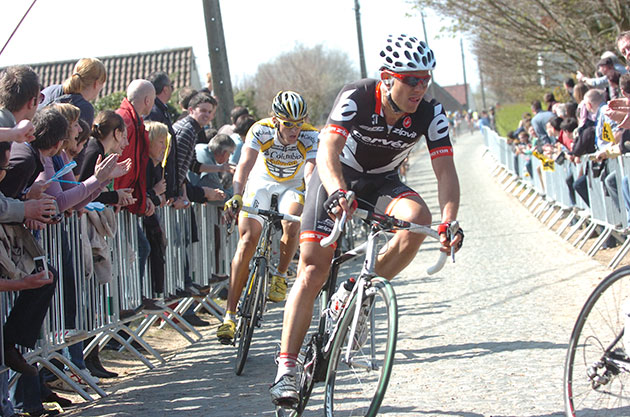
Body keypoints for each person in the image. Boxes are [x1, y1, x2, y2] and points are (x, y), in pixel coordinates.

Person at [268, 34, 463, 404]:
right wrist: (338, 191)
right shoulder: (358, 94)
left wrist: (449, 220)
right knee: (312, 269)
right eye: (412, 80)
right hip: (336, 176)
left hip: (382, 182)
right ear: (388, 77)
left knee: (418, 218)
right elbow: (328, 147)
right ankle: (286, 368)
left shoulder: (430, 112)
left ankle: (357, 290)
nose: (421, 87)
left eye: (426, 79)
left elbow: (445, 170)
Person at [217, 91, 318, 344]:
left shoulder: (310, 135)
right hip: (261, 183)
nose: (294, 130)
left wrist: (314, 200)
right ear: (275, 120)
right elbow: (244, 165)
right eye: (288, 124)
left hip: (292, 185)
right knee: (248, 240)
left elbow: (311, 171)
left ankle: (281, 276)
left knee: (292, 221)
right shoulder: (260, 130)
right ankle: (229, 315)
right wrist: (237, 194)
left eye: (299, 123)